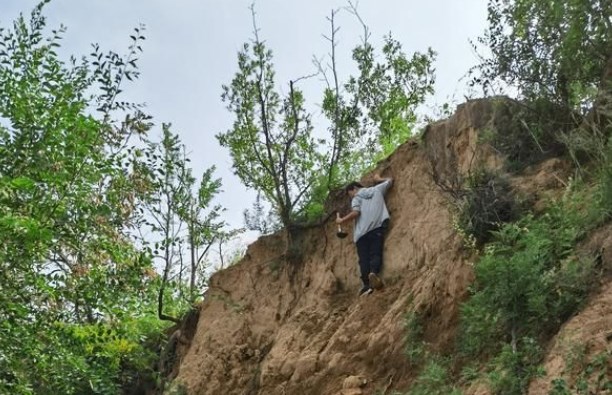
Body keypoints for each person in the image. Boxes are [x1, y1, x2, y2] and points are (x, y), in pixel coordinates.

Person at [336, 173, 393, 296]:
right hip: (376, 228)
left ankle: (367, 285)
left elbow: (356, 213)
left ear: (354, 189)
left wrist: (341, 221)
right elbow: (390, 180)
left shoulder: (356, 197)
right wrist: (378, 179)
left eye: (349, 194)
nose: (351, 197)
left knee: (364, 260)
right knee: (375, 253)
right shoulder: (377, 189)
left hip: (361, 234)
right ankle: (374, 273)